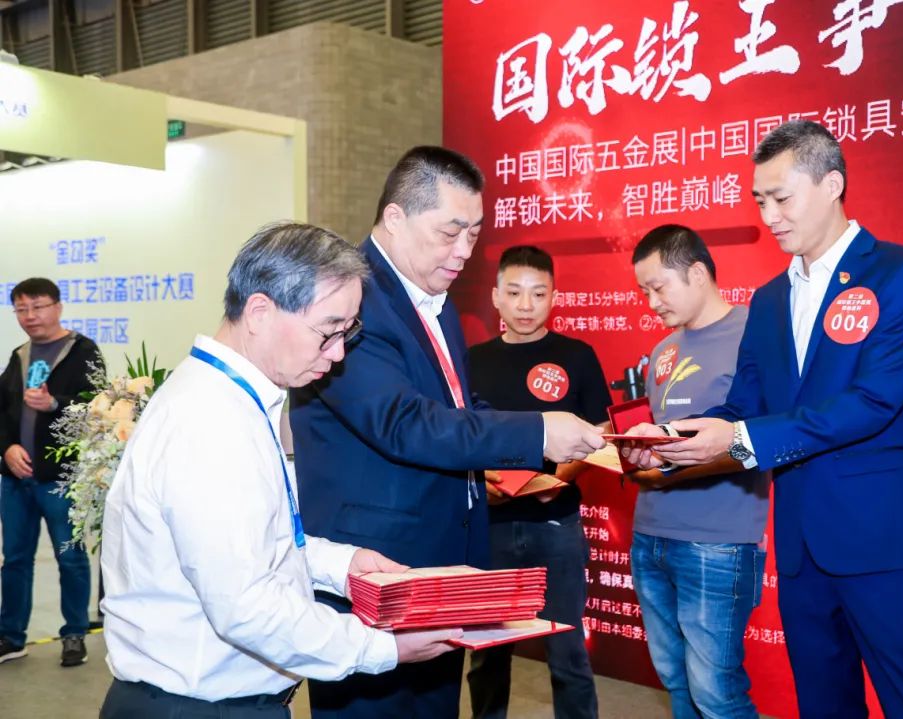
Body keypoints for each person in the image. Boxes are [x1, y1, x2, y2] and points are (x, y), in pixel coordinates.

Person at [625, 120, 903, 718]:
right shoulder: (770, 299)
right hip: (803, 550)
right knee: (824, 706)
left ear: (831, 185)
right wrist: (672, 439)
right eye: (760, 201)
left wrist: (741, 436)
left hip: (895, 541)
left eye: (781, 198)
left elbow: (873, 402)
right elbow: (744, 408)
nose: (770, 215)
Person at [289, 146, 605, 719]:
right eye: (450, 232)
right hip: (377, 566)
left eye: (474, 233)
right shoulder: (350, 301)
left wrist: (540, 440)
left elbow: (456, 403)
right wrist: (536, 432)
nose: (464, 251)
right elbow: (404, 423)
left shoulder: (434, 302)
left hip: (440, 562)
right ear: (395, 218)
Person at [98, 223, 460, 718]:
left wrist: (342, 565)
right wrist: (383, 647)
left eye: (348, 332)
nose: (338, 353)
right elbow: (246, 606)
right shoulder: (209, 423)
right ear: (260, 312)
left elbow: (256, 547)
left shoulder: (234, 400)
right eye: (328, 331)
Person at [625, 225, 769, 719]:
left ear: (698, 273)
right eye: (643, 291)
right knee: (675, 680)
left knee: (717, 694)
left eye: (658, 287)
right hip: (650, 536)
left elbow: (760, 438)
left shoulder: (755, 337)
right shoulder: (662, 352)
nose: (651, 302)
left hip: (718, 542)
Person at [465, 245, 608, 719]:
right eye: (514, 293)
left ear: (554, 298)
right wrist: (481, 480)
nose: (525, 305)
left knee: (567, 651)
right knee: (487, 653)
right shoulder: (471, 361)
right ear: (496, 297)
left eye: (538, 293)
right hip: (489, 527)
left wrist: (558, 480)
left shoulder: (577, 355)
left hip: (556, 525)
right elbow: (459, 434)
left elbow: (601, 432)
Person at [0, 278, 100, 667]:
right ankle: (11, 637)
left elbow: (96, 405)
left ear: (57, 307)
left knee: (70, 558)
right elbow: (2, 412)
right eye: (22, 309)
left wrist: (54, 403)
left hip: (61, 478)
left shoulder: (82, 351)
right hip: (16, 480)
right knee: (15, 559)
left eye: (38, 306)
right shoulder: (20, 355)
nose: (30, 316)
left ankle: (74, 633)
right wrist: (6, 449)